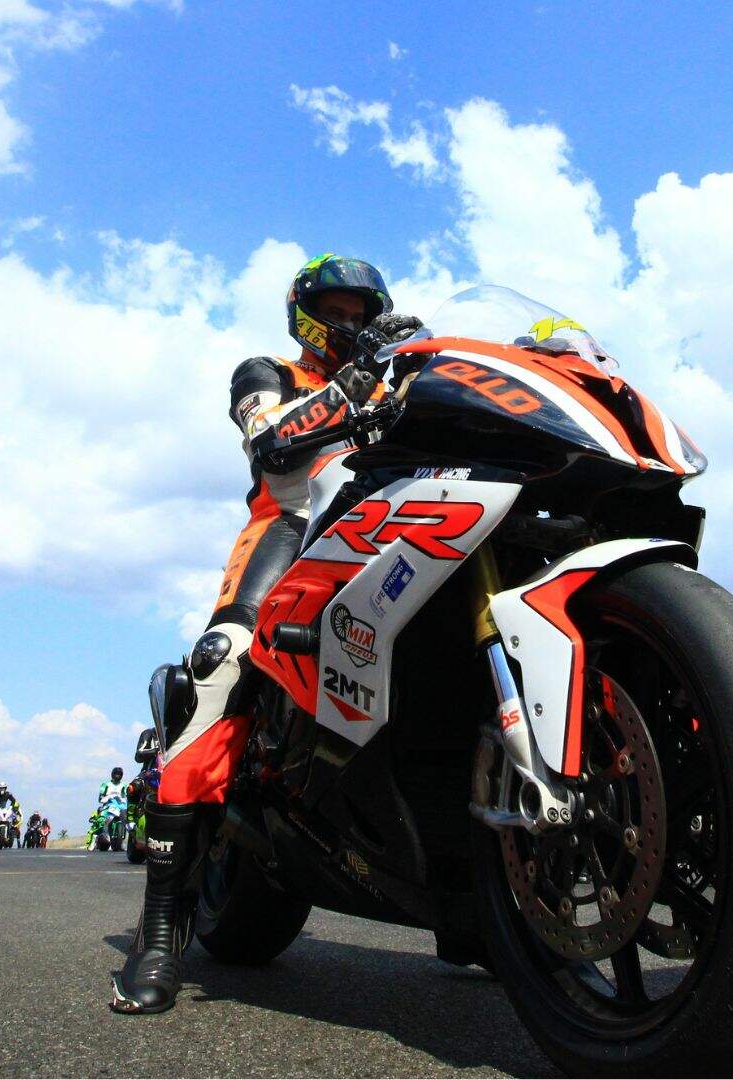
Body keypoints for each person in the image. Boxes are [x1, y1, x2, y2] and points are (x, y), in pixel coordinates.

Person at [112, 254, 418, 1013]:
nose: (351, 322)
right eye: (337, 309)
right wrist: (350, 387)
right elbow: (270, 443)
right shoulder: (271, 369)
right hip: (294, 523)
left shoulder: (399, 375)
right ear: (308, 313)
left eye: (362, 309)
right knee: (224, 664)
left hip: (401, 524)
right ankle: (158, 934)